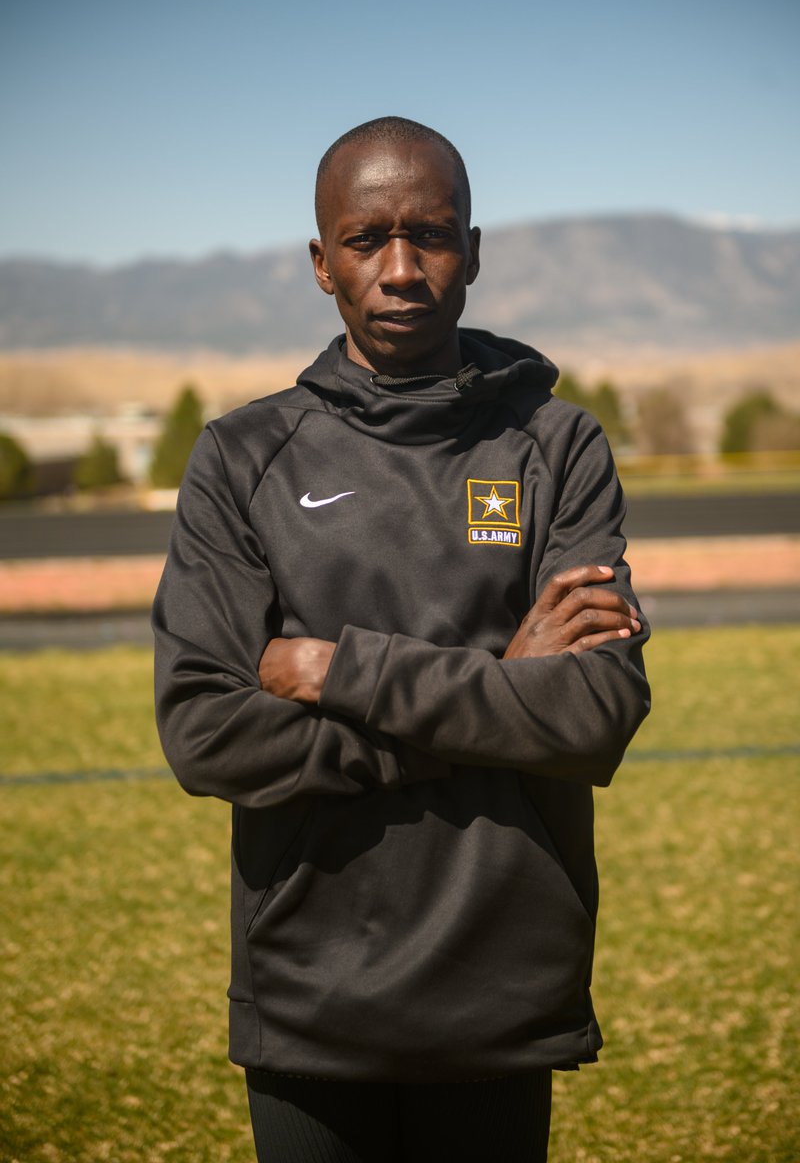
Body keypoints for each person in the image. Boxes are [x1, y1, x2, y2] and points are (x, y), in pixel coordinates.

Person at [152, 116, 650, 1162]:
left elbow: (594, 713)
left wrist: (340, 670)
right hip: (310, 987)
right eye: (365, 238)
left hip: (498, 983)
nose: (400, 269)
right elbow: (207, 734)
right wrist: (493, 698)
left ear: (471, 250)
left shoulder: (552, 445)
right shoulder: (242, 456)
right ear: (319, 263)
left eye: (429, 235)